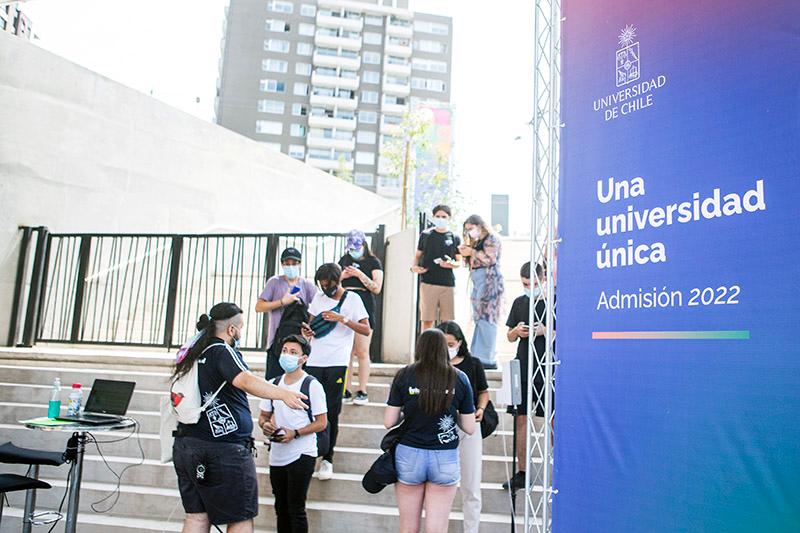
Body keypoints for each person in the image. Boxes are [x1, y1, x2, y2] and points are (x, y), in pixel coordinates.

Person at [171, 302, 308, 533]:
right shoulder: (221, 350)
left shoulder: (193, 352)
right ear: (231, 329)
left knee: (197, 516)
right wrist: (283, 394)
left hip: (187, 444)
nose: (240, 333)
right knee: (241, 517)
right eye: (241, 328)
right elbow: (244, 380)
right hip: (222, 448)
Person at [384, 329, 477, 533]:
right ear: (444, 349)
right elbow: (470, 427)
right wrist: (450, 412)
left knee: (408, 527)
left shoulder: (404, 375)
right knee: (437, 528)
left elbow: (389, 422)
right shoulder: (460, 378)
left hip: (409, 454)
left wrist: (408, 412)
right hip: (444, 456)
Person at [302, 263, 371, 480]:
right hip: (314, 360)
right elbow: (311, 324)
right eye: (322, 285)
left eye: (329, 285)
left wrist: (342, 319)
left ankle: (327, 458)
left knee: (331, 411)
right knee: (309, 409)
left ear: (338, 280)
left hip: (337, 362)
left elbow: (366, 329)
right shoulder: (319, 298)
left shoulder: (353, 299)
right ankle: (309, 452)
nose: (325, 289)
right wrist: (307, 331)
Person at [259, 335, 328, 533]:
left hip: (302, 453)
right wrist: (266, 425)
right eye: (284, 351)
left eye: (293, 352)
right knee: (281, 508)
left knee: (296, 508)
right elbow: (263, 416)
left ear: (303, 359)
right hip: (277, 454)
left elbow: (321, 422)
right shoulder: (273, 384)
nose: (287, 355)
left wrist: (295, 433)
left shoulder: (312, 385)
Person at [503, 262, 555, 491]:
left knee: (552, 419)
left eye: (533, 284)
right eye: (525, 284)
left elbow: (566, 333)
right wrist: (517, 331)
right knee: (521, 418)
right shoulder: (519, 302)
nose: (529, 288)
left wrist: (546, 330)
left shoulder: (555, 302)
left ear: (543, 280)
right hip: (522, 367)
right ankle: (522, 472)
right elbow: (509, 336)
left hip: (547, 368)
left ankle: (558, 470)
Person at [437, 321, 489, 533]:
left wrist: (481, 409)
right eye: (443, 344)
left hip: (469, 426)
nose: (447, 348)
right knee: (440, 487)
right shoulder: (431, 366)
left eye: (451, 344)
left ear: (459, 342)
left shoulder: (473, 364)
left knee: (471, 484)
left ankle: (471, 529)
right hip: (439, 428)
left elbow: (483, 392)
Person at [339, 229, 384, 406]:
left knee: (362, 350)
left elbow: (377, 287)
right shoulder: (344, 260)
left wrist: (359, 275)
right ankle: (345, 388)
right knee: (347, 352)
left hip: (364, 302)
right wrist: (343, 276)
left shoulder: (373, 262)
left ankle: (362, 389)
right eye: (351, 248)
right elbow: (333, 282)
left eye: (356, 248)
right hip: (346, 302)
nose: (354, 251)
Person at [459, 214, 505, 369]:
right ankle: (478, 355)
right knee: (479, 318)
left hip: (489, 281)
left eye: (471, 228)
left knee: (487, 318)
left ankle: (487, 357)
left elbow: (490, 259)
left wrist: (471, 252)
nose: (470, 232)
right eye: (467, 229)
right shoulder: (477, 241)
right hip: (478, 280)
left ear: (480, 226)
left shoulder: (492, 239)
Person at [255, 247, 318, 349]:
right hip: (276, 339)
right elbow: (259, 307)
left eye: (294, 263)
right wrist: (282, 302)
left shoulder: (306, 285)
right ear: (282, 264)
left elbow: (319, 306)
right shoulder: (274, 282)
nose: (290, 267)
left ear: (300, 264)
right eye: (287, 264)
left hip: (300, 341)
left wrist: (310, 324)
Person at [412, 205, 462, 331]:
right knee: (427, 320)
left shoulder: (454, 237)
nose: (441, 219)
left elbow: (459, 261)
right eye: (438, 216)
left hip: (447, 283)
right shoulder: (426, 235)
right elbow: (417, 256)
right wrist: (414, 267)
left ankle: (445, 344)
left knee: (447, 322)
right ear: (433, 217)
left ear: (449, 218)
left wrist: (451, 264)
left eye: (444, 217)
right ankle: (426, 343)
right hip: (428, 282)